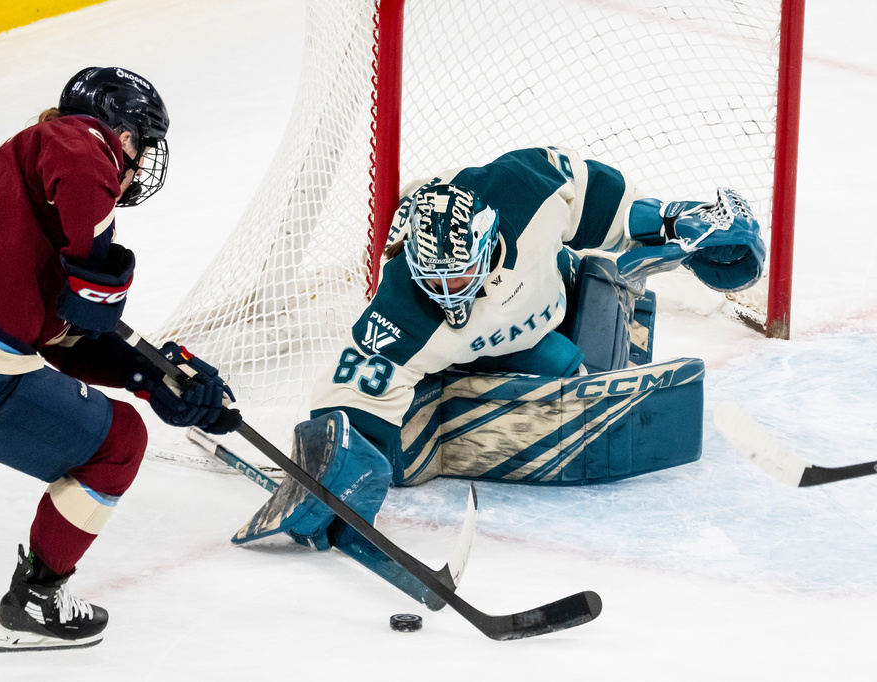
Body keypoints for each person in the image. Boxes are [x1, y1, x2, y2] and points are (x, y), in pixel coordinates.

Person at [0, 66, 241, 652]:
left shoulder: (22, 210)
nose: (136, 164)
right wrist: (95, 263)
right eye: (138, 143)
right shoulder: (77, 140)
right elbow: (80, 153)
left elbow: (63, 336)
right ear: (118, 130)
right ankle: (38, 601)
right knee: (117, 444)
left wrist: (152, 379)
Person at [234, 146, 765, 561]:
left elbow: (601, 203)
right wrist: (331, 471)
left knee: (593, 307)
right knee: (546, 379)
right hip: (472, 356)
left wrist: (678, 221)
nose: (447, 292)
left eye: (460, 274)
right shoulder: (402, 307)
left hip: (548, 303)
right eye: (432, 277)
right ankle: (460, 402)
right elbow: (350, 391)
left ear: (488, 242)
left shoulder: (521, 187)